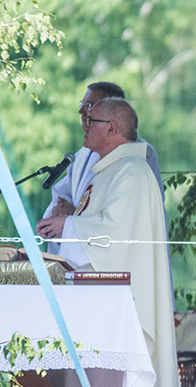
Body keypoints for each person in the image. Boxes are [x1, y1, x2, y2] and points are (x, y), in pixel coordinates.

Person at [36, 98, 188, 387]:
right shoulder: (107, 172)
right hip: (100, 300)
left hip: (124, 305)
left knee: (118, 380)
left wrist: (67, 228)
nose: (84, 125)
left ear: (114, 129)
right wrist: (68, 222)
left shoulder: (133, 173)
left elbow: (117, 236)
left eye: (92, 120)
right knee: (95, 377)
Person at [41, 81, 163, 256]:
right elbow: (61, 198)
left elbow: (125, 222)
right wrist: (58, 218)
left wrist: (72, 220)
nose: (82, 112)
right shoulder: (82, 155)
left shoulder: (137, 161)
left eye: (90, 108)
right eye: (82, 105)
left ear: (112, 115)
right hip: (82, 254)